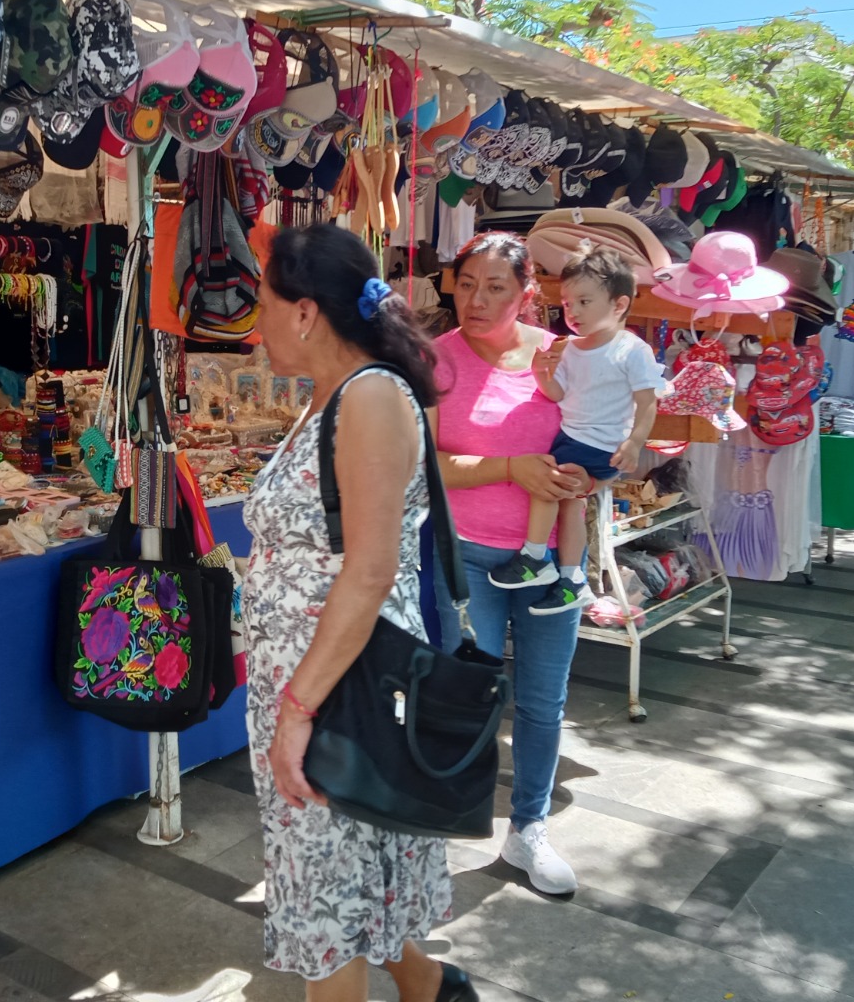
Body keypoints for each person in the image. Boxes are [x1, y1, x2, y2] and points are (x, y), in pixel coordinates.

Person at [244, 223, 477, 1002]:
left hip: (338, 686)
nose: (256, 323)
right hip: (324, 679)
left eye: (263, 304)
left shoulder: (369, 397)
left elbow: (370, 570)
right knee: (350, 872)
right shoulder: (336, 395)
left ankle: (428, 986)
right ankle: (432, 987)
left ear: (306, 312)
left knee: (326, 905)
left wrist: (298, 708)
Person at [428, 231, 592, 895]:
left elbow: (607, 440)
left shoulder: (565, 359)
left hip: (552, 563)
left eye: (496, 287)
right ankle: (444, 824)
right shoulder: (435, 360)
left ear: (529, 294)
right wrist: (506, 468)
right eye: (467, 284)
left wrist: (595, 470)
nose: (477, 298)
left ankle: (529, 830)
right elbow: (425, 467)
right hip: (468, 558)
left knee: (543, 703)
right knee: (465, 698)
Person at [487, 246, 664, 614]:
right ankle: (573, 580)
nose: (574, 312)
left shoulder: (632, 350)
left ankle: (535, 557)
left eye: (584, 301)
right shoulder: (568, 349)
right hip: (574, 437)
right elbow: (558, 393)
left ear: (618, 304)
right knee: (571, 506)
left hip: (599, 445)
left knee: (545, 482)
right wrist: (540, 373)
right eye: (567, 304)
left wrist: (634, 443)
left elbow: (648, 402)